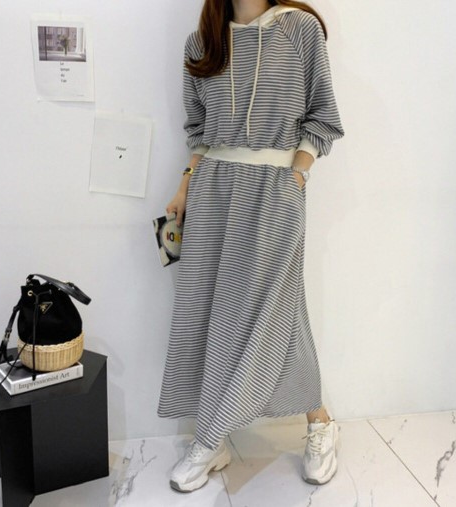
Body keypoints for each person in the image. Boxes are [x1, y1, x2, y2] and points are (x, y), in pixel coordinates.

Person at [157, 0, 345, 492]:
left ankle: (308, 425)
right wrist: (184, 187)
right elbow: (198, 132)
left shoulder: (299, 30)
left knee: (272, 309)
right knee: (208, 310)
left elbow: (322, 117)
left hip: (274, 190)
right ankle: (218, 436)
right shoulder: (202, 41)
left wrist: (296, 177)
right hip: (212, 191)